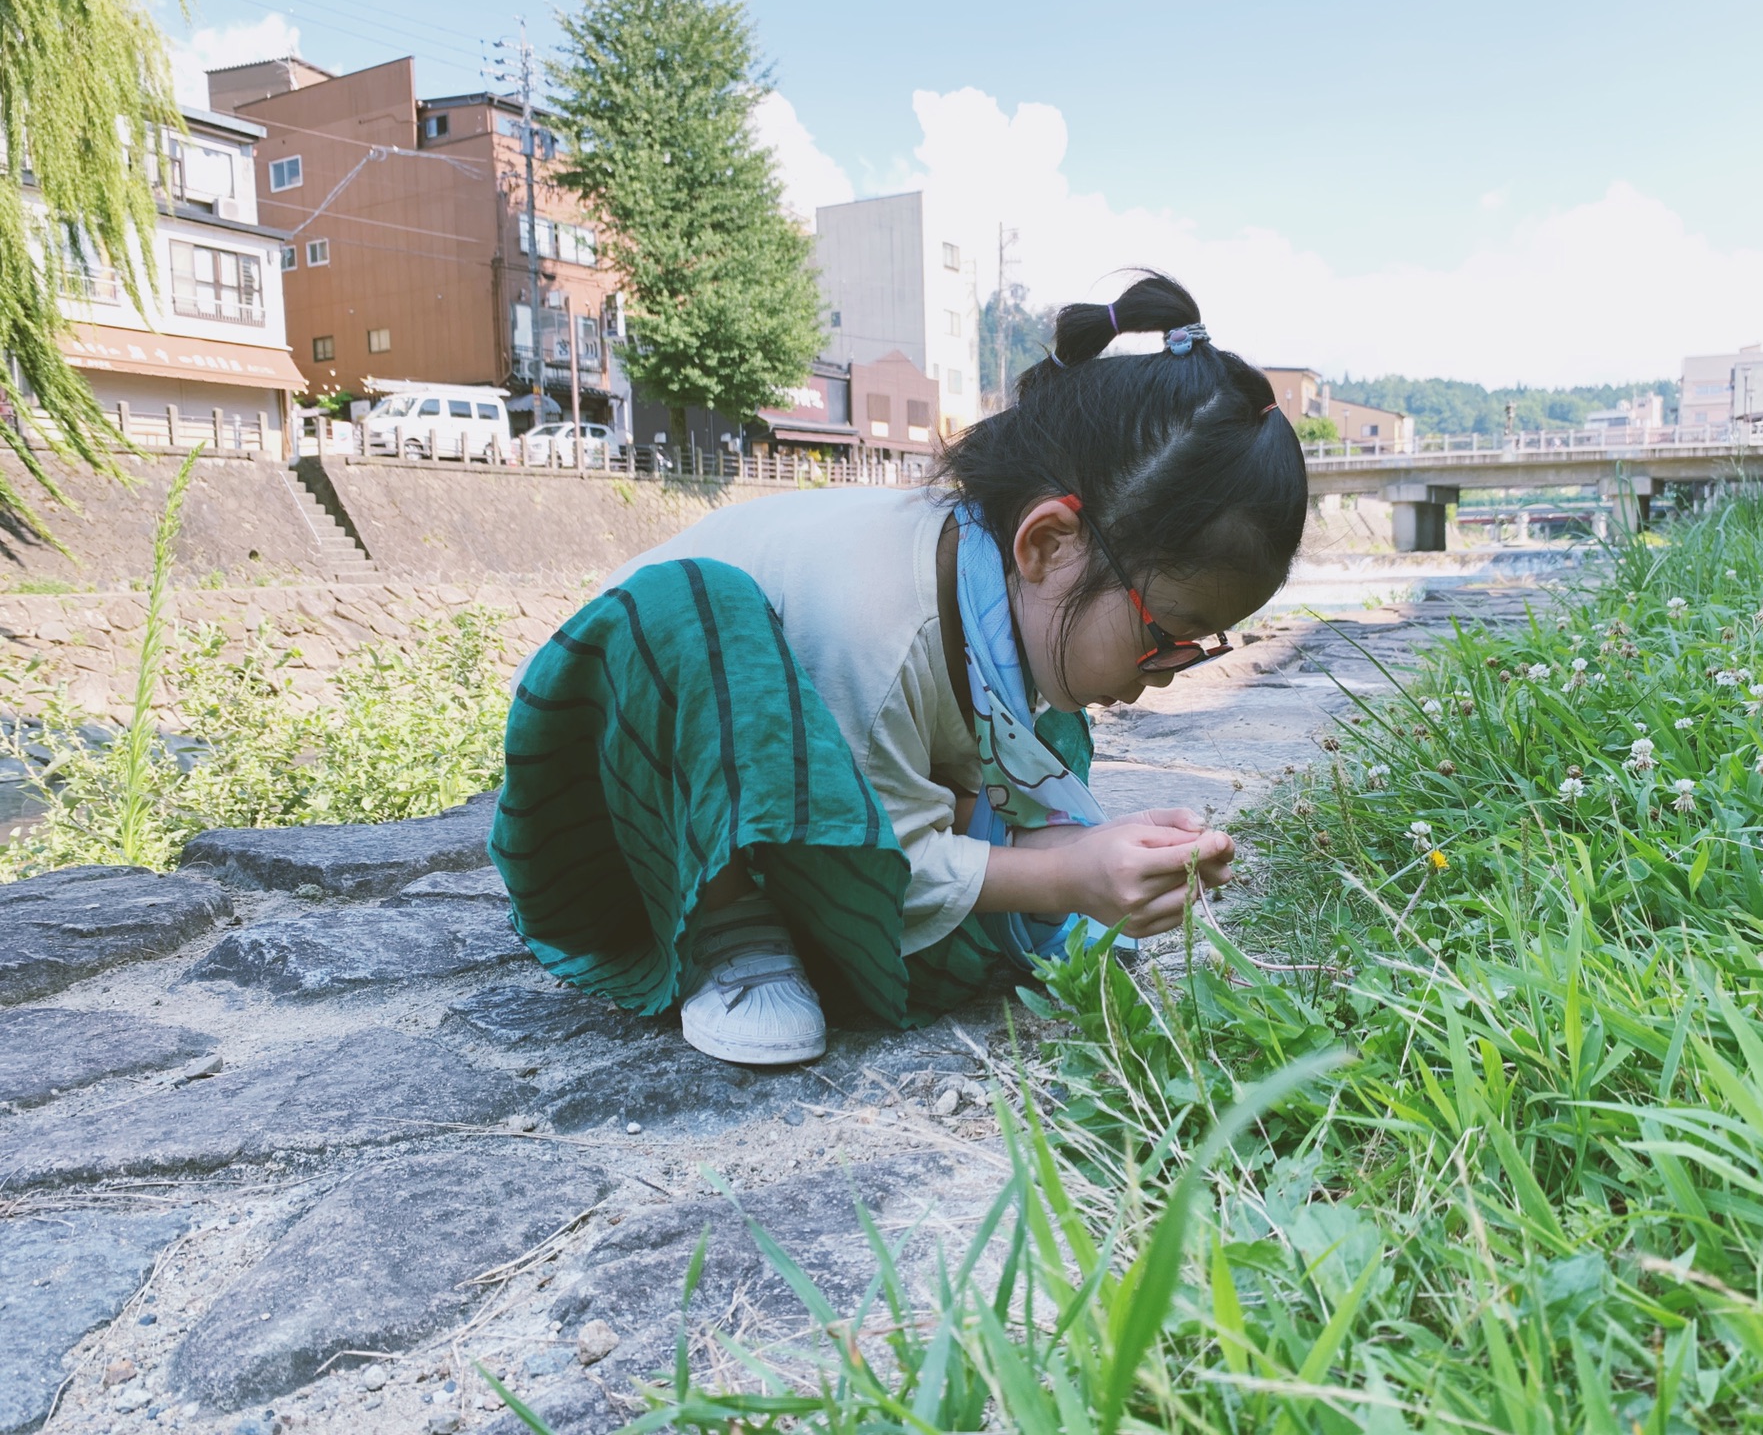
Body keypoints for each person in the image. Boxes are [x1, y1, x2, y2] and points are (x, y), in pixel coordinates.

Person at [489, 273, 1309, 1065]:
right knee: (695, 606)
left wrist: (1095, 850)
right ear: (1046, 544)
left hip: (826, 754)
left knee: (1053, 727)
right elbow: (891, 860)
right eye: (1168, 633)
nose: (1167, 671)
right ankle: (728, 920)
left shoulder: (992, 589)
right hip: (629, 794)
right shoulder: (884, 621)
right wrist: (1065, 870)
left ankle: (794, 895)